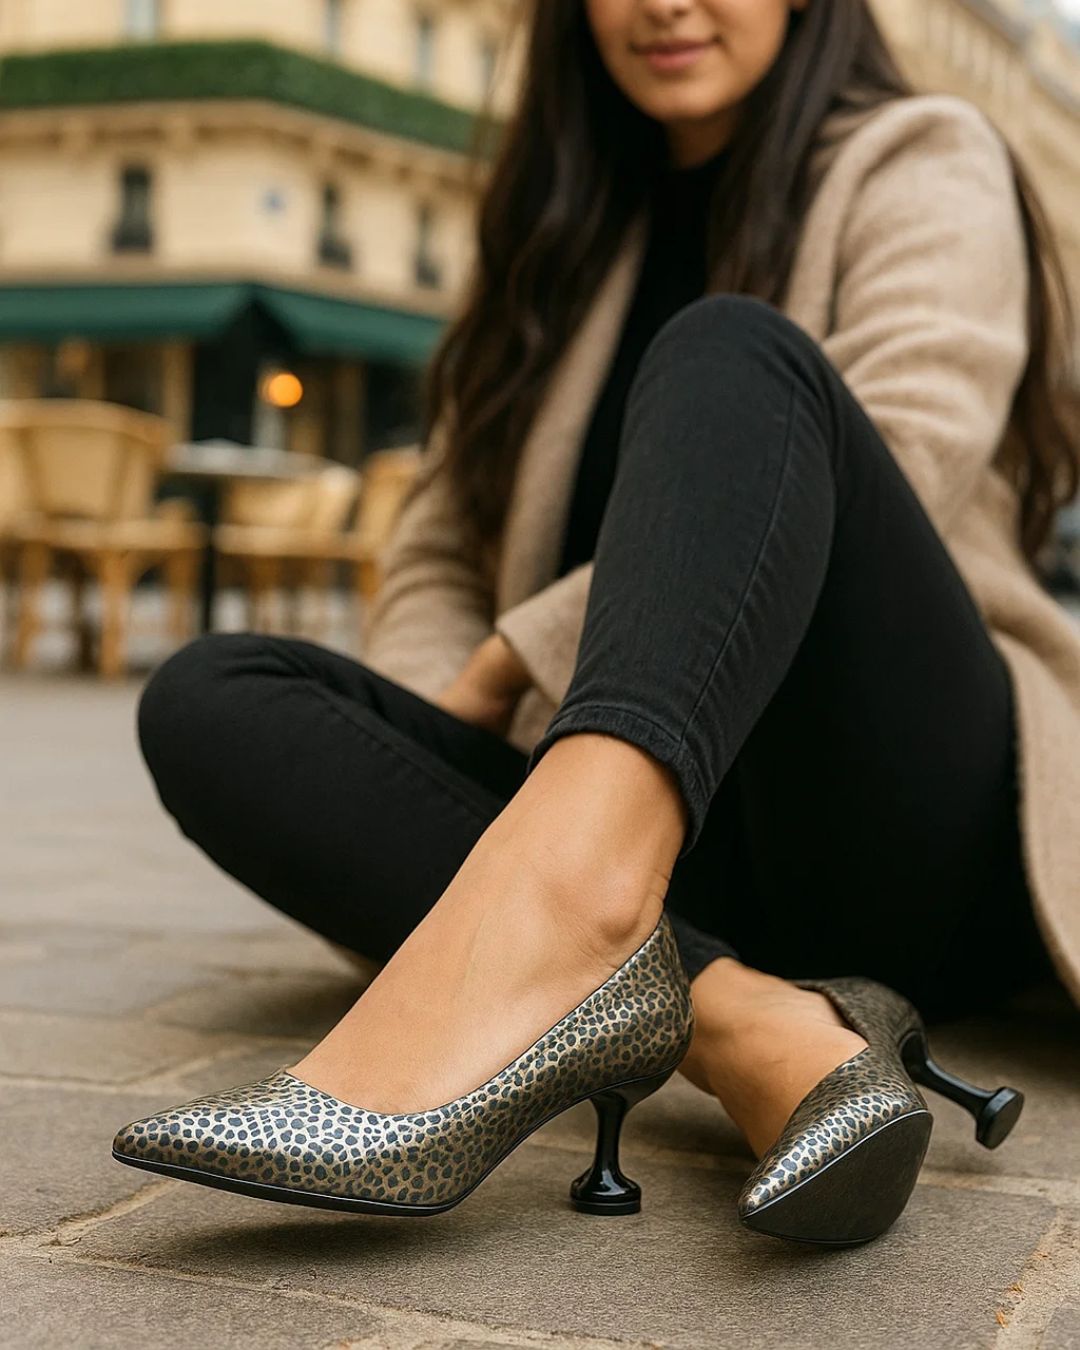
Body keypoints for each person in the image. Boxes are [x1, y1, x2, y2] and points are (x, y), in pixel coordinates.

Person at [112, 0, 1080, 1246]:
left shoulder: (920, 151)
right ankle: (746, 1023)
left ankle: (564, 926)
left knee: (736, 353)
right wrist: (430, 723)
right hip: (663, 853)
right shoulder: (560, 241)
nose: (663, 3)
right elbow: (436, 553)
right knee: (211, 697)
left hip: (888, 805)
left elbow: (913, 439)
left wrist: (515, 654)